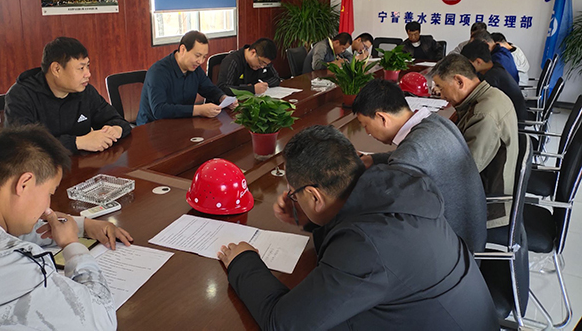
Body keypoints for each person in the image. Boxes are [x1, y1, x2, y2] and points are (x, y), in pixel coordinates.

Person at [217, 126, 498, 331]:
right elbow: (347, 226)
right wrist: (311, 218)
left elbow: (282, 323)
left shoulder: (368, 244)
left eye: (294, 193)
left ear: (314, 196)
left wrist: (244, 261)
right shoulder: (393, 187)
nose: (293, 199)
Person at [0, 125, 133, 330]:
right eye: (49, 193)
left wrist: (82, 225)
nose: (48, 207)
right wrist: (73, 246)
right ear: (24, 183)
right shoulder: (8, 265)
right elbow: (100, 320)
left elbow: (2, 232)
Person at [352, 79, 487, 253]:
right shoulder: (437, 122)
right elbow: (416, 155)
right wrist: (372, 160)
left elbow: (390, 214)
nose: (367, 133)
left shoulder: (409, 155)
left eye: (366, 126)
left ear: (382, 118)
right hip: (472, 234)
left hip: (455, 253)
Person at [431, 54, 518, 228]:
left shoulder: (484, 114)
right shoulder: (489, 95)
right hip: (483, 188)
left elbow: (462, 172)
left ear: (459, 81)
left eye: (441, 87)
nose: (440, 95)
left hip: (488, 206)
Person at [4, 37, 131, 154]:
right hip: (41, 169)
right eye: (81, 68)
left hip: (82, 165)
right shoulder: (21, 95)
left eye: (87, 66)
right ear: (56, 69)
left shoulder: (85, 91)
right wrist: (78, 142)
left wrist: (116, 129)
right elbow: (23, 146)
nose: (88, 74)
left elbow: (117, 120)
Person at [136, 31, 236, 125]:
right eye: (197, 55)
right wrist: (199, 110)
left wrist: (223, 98)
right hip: (153, 127)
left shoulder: (195, 69)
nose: (200, 61)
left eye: (204, 57)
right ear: (183, 49)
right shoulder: (158, 72)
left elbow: (209, 89)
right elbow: (159, 110)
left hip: (182, 122)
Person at [461, 40, 527, 122]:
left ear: (478, 62)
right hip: (509, 114)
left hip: (513, 120)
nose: (466, 67)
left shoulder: (492, 77)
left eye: (467, 64)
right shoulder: (495, 67)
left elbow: (479, 101)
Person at [217, 38, 281, 96]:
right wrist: (252, 89)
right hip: (235, 102)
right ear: (253, 52)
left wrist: (262, 85)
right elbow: (223, 88)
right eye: (261, 62)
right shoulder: (232, 61)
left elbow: (276, 78)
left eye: (265, 64)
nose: (262, 67)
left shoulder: (264, 62)